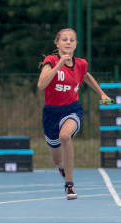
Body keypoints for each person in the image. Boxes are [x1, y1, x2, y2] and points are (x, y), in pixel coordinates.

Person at [37, 28, 111, 200]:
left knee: (65, 136)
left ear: (76, 44)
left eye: (72, 40)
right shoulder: (51, 60)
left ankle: (69, 185)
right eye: (64, 39)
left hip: (72, 110)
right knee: (56, 160)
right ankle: (62, 167)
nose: (68, 42)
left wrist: (101, 93)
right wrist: (59, 64)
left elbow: (86, 76)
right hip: (51, 115)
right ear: (57, 43)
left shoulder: (81, 64)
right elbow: (41, 85)